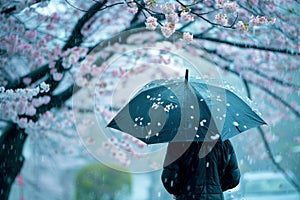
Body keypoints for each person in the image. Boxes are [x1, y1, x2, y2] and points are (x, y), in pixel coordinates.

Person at [161, 139, 240, 200]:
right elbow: (233, 178)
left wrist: (178, 191)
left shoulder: (178, 143)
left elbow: (168, 179)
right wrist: (215, 188)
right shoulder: (224, 142)